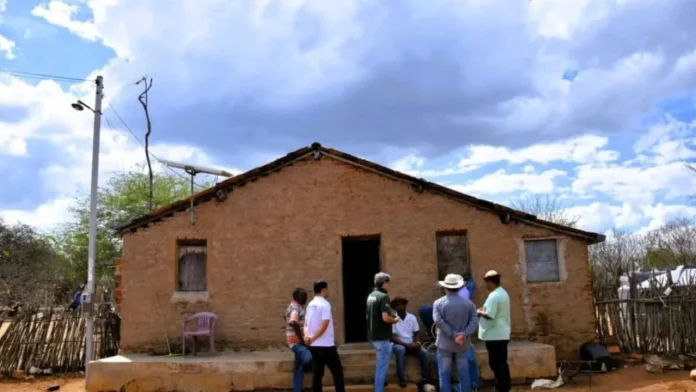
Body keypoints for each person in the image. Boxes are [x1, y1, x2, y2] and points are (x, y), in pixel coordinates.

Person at [433, 274, 479, 392]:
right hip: (462, 344)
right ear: (459, 288)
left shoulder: (438, 303)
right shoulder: (468, 304)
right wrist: (463, 335)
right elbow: (474, 322)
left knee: (444, 374)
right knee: (464, 373)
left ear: (445, 288)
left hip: (445, 344)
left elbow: (438, 321)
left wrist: (453, 334)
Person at [304, 280, 345, 392]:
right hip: (326, 345)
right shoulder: (325, 304)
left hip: (314, 346)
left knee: (317, 374)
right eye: (327, 289)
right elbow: (324, 325)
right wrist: (312, 338)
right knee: (337, 372)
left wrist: (307, 337)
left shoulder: (310, 305)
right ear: (323, 290)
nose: (328, 291)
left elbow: (306, 324)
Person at [477, 270, 511, 392]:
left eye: (486, 282)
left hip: (494, 335)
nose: (486, 285)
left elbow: (490, 315)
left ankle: (501, 388)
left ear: (490, 282)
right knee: (502, 364)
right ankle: (505, 388)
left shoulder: (494, 295)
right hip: (501, 334)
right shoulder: (503, 293)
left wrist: (479, 312)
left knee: (496, 365)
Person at [391, 296, 434, 388]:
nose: (400, 306)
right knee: (400, 350)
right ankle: (401, 378)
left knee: (424, 352)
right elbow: (393, 337)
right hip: (399, 344)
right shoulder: (393, 318)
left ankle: (426, 378)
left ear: (405, 305)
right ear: (395, 307)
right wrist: (407, 345)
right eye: (397, 305)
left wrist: (418, 343)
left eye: (402, 304)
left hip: (411, 343)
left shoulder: (412, 317)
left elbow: (417, 332)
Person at [366, 272, 399, 392]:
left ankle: (378, 386)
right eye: (388, 283)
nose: (389, 286)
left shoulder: (371, 295)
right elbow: (385, 318)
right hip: (381, 336)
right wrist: (394, 320)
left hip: (373, 336)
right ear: (384, 283)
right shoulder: (383, 296)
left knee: (380, 366)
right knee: (381, 368)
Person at [286, 288, 312, 392]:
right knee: (309, 357)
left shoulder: (297, 306)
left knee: (298, 369)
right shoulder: (295, 306)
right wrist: (301, 339)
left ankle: (297, 389)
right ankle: (306, 368)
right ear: (297, 297)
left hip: (297, 342)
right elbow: (293, 322)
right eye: (304, 296)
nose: (306, 298)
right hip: (297, 343)